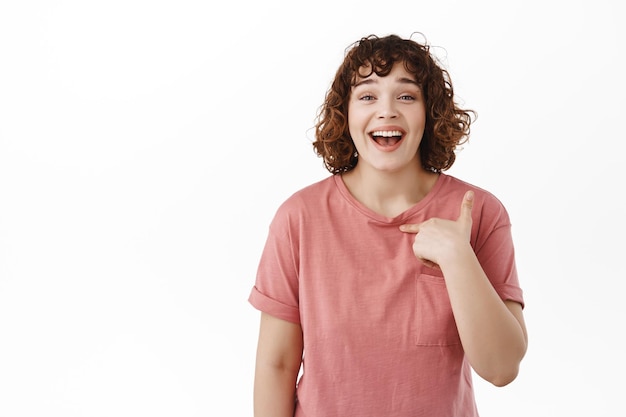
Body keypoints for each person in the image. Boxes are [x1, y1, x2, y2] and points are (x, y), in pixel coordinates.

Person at [248, 33, 528, 417]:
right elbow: (276, 364)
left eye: (407, 96)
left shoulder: (479, 212)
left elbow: (501, 368)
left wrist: (457, 258)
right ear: (345, 114)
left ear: (430, 112)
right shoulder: (298, 218)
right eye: (367, 96)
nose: (387, 111)